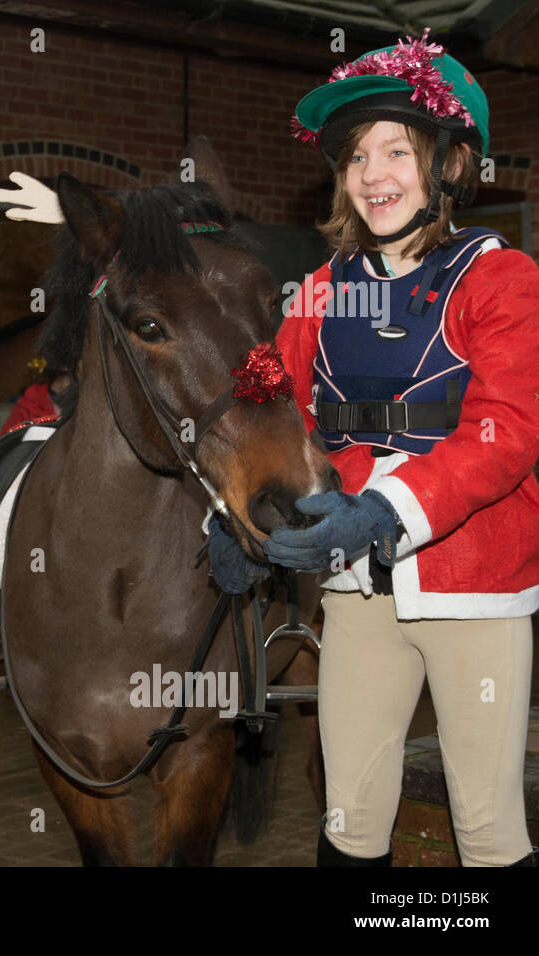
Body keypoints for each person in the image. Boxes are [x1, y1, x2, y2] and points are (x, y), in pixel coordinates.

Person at [209, 31, 538, 867]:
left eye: (396, 150)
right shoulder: (319, 292)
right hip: (356, 590)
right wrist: (237, 514)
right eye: (356, 157)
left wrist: (384, 511)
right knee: (349, 823)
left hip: (474, 583)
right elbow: (267, 411)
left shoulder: (502, 280)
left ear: (449, 167)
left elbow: (509, 436)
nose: (372, 175)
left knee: (488, 829)